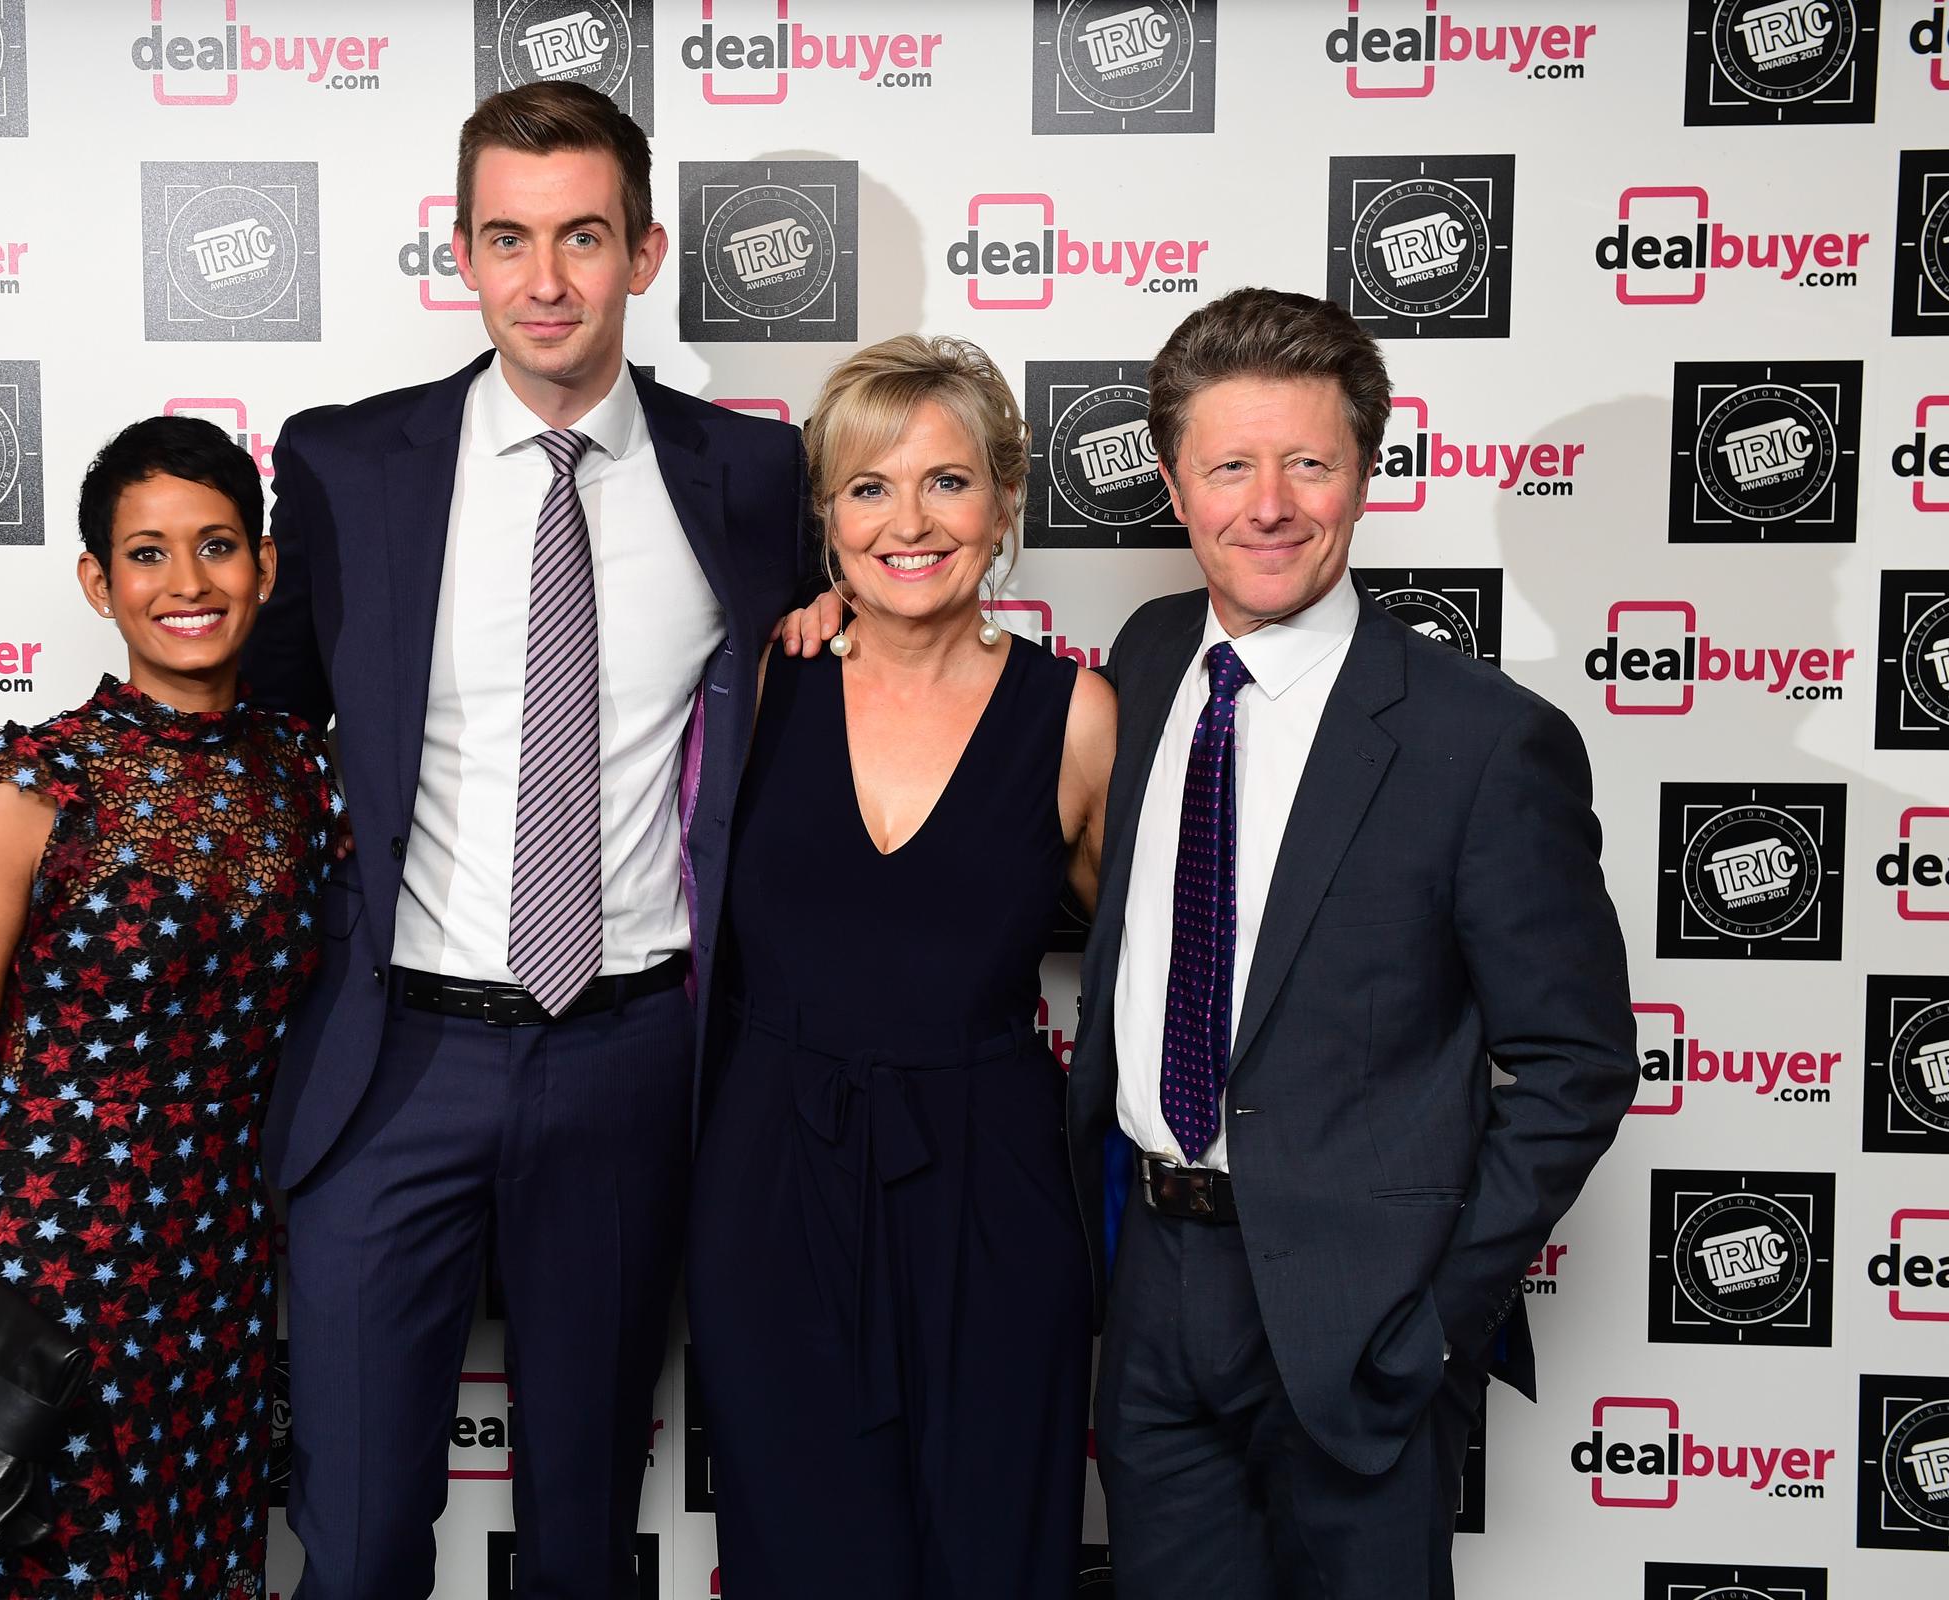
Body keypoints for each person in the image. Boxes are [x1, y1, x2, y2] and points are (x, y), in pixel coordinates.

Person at [241, 82, 808, 1598]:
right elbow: (270, 717)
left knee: (578, 1533)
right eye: (508, 239)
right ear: (464, 251)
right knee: (354, 1538)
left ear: (644, 249)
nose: (545, 279)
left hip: (629, 1059)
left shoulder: (751, 479)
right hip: (392, 1064)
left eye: (580, 237)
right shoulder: (349, 466)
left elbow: (822, 696)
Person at [1065, 287, 1635, 1598]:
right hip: (1154, 1289)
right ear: (1171, 482)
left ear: (1365, 475)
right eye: (1229, 466)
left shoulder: (1484, 742)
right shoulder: (1145, 663)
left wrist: (1435, 1318)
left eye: (1309, 463)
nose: (1269, 503)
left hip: (1360, 1319)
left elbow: (1577, 1063)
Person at [0, 415, 335, 1598]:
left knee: (205, 1570)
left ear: (265, 568)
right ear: (97, 581)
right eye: (147, 553)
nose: (186, 583)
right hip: (47, 1281)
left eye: (217, 546)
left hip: (219, 1279)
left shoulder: (306, 773)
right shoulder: (23, 791)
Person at [688, 334, 1115, 1599]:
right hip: (773, 1181)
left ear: (1004, 502)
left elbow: (1151, 952)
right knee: (803, 1551)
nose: (910, 521)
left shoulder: (1080, 716)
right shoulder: (761, 682)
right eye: (869, 487)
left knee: (995, 1546)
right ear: (825, 519)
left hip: (993, 1180)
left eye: (948, 480)